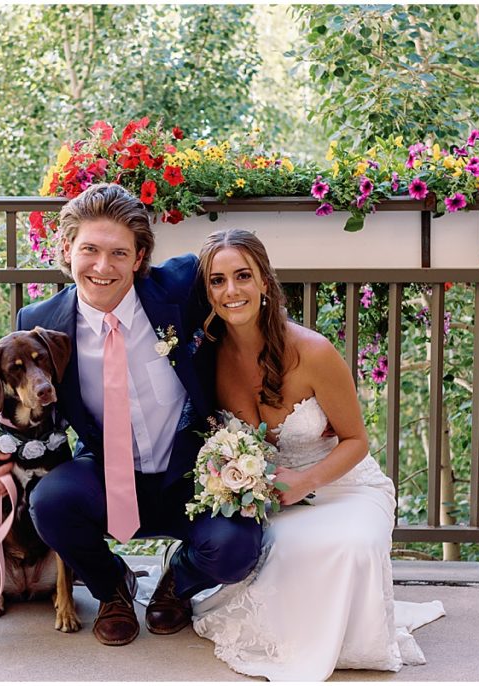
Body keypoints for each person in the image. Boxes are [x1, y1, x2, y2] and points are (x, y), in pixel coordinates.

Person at [0, 184, 262, 647]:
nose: (103, 267)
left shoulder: (182, 288)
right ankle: (112, 587)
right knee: (50, 502)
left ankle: (176, 583)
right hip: (106, 477)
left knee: (238, 546)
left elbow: (242, 288)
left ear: (139, 258)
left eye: (119, 252)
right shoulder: (42, 322)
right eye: (90, 250)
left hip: (191, 475)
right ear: (67, 250)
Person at [188, 228, 444, 680]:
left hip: (343, 483)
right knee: (286, 547)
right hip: (268, 492)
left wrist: (304, 482)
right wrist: (235, 475)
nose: (231, 291)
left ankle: (350, 642)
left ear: (265, 281)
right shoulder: (210, 356)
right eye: (217, 280)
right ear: (207, 291)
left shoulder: (313, 352)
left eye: (242, 276)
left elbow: (356, 441)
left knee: (351, 545)